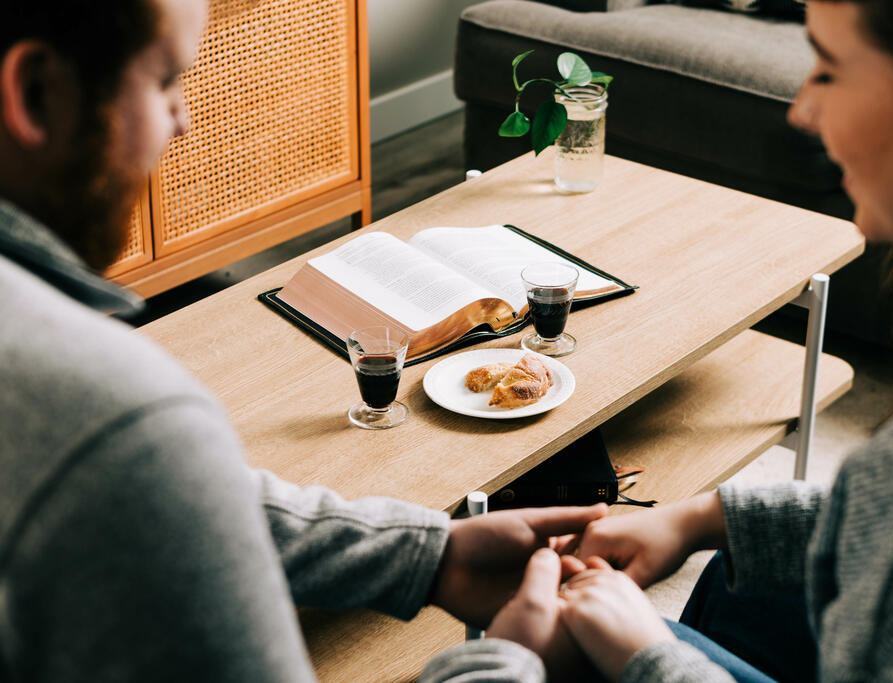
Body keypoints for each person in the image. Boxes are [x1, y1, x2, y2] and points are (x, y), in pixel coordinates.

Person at [0, 1, 607, 680]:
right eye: (165, 80)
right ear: (34, 93)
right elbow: (140, 468)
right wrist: (510, 658)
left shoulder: (115, 448)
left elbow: (169, 498)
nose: (185, 121)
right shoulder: (122, 418)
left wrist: (424, 555)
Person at [426, 0, 893, 680]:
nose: (801, 109)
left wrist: (647, 656)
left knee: (576, 644)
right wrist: (698, 519)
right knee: (738, 575)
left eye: (829, 70)